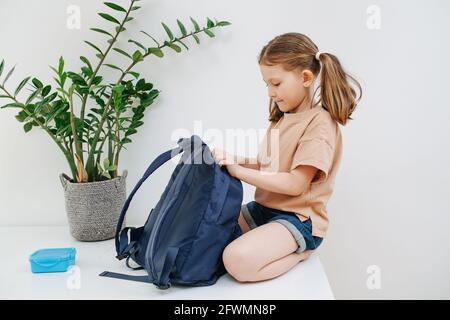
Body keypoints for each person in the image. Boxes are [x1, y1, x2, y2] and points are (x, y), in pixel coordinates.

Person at [212, 32, 362, 283]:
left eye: (276, 83)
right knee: (210, 230)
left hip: (298, 218)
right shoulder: (283, 117)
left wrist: (240, 173)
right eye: (266, 85)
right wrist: (233, 159)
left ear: (305, 77)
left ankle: (302, 253)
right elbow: (266, 163)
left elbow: (295, 184)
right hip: (264, 210)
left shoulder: (319, 124)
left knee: (237, 261)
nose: (271, 92)